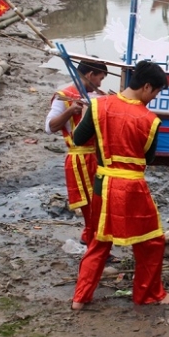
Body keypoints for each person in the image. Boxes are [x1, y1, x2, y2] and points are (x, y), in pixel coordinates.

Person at [71, 60, 169, 309]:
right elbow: (148, 158)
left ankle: (80, 298)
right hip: (132, 187)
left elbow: (78, 139)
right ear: (146, 87)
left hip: (103, 182)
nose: (153, 98)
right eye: (155, 92)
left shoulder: (99, 105)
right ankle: (148, 294)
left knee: (99, 242)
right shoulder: (149, 120)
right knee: (151, 241)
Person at [45, 60, 108, 247]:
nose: (100, 84)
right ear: (89, 75)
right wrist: (71, 111)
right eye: (100, 78)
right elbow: (49, 127)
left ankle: (90, 237)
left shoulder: (98, 96)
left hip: (99, 157)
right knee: (91, 205)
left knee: (101, 203)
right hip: (81, 158)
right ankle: (94, 243)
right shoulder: (64, 97)